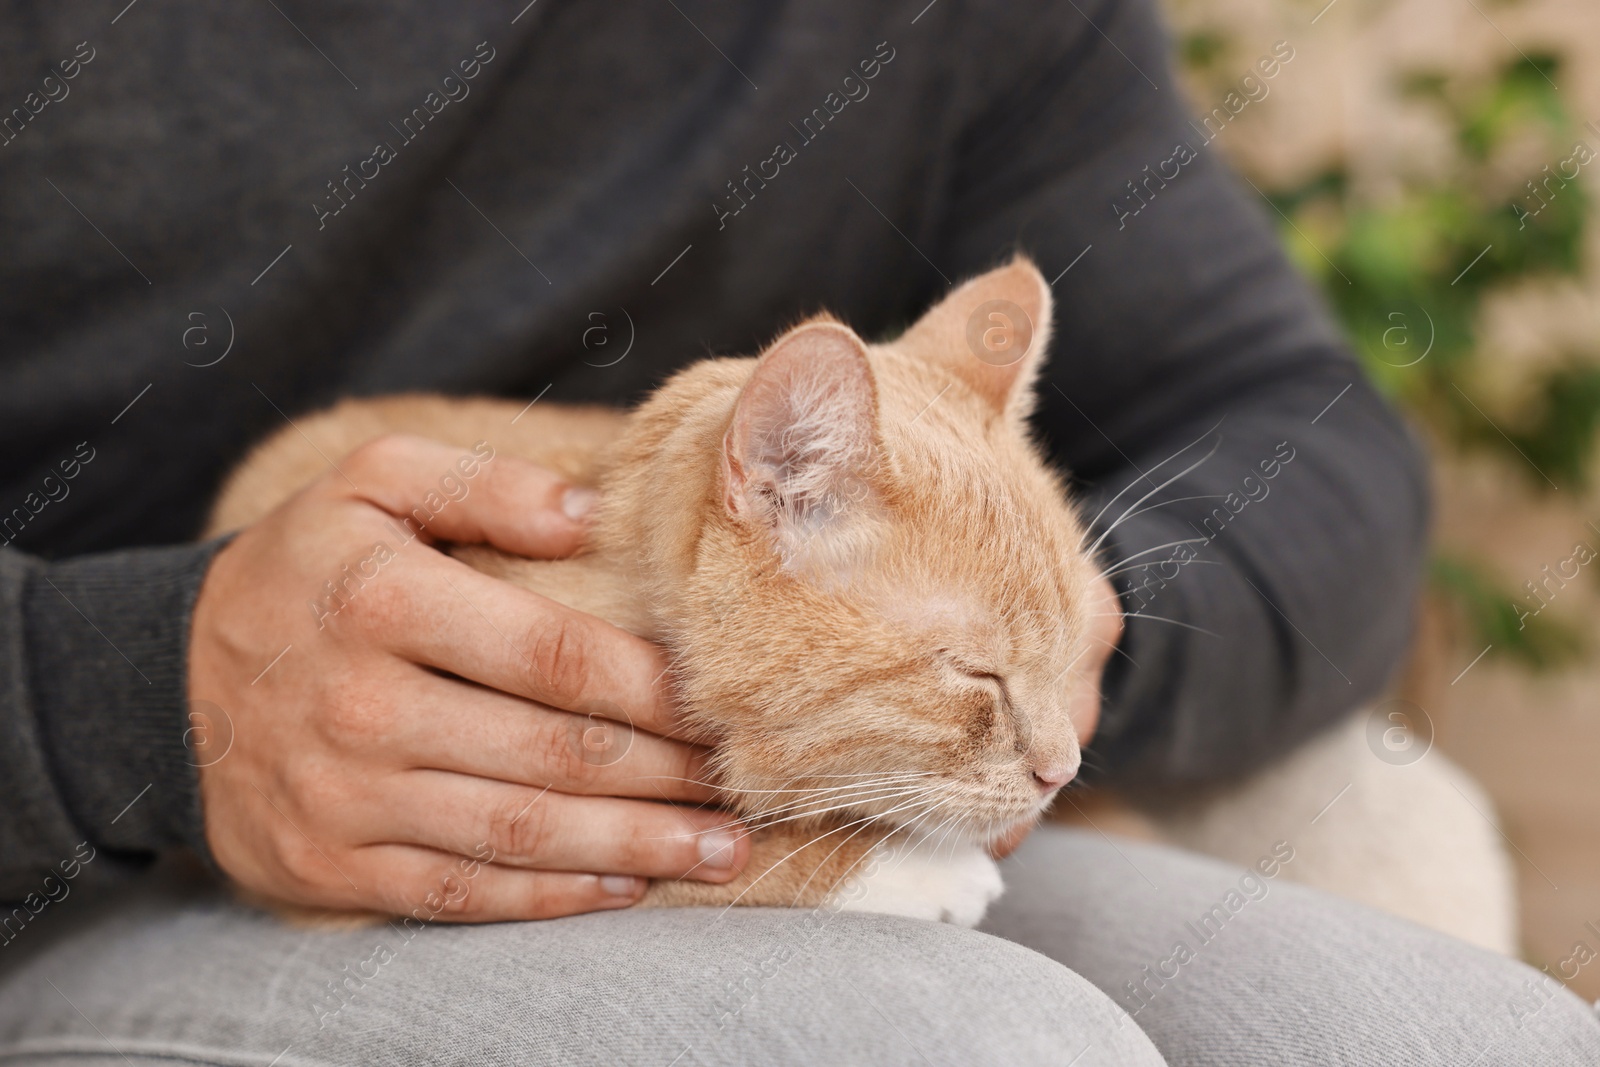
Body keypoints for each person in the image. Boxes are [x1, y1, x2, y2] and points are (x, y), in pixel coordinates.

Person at [1, 0, 1595, 1063]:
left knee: (1457, 1036)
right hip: (90, 856)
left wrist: (1032, 639)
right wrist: (127, 694)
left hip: (842, 743)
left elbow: (1293, 416)